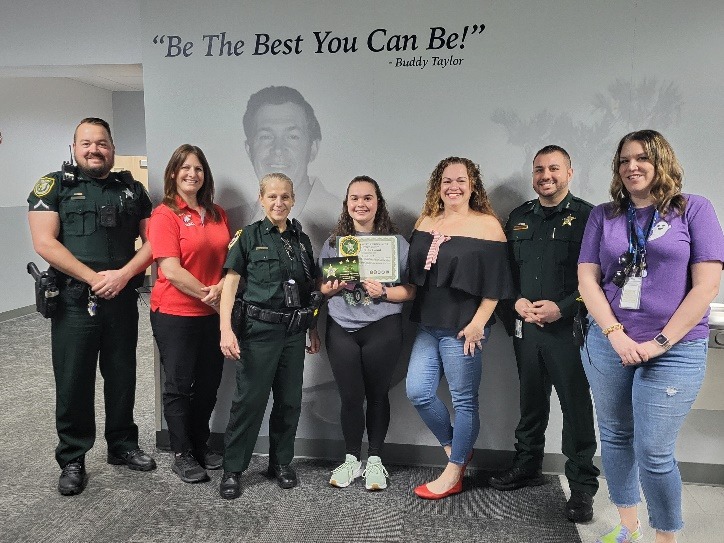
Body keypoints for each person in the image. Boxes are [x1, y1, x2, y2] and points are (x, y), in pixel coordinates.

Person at [578, 130, 724, 543]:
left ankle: (666, 537)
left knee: (655, 453)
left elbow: (706, 287)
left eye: (642, 158)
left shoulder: (694, 209)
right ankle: (629, 528)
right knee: (616, 437)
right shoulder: (603, 215)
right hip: (609, 343)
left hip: (674, 348)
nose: (632, 166)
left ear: (663, 162)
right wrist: (615, 334)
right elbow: (587, 278)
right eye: (624, 160)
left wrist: (659, 343)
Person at [27, 117, 156, 496]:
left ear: (112, 149)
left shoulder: (132, 191)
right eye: (86, 143)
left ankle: (122, 444)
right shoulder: (54, 187)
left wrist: (121, 276)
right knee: (73, 380)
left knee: (122, 374)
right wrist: (93, 277)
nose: (94, 150)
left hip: (120, 300)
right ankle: (72, 456)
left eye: (101, 143)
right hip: (73, 300)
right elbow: (44, 242)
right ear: (74, 148)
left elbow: (153, 242)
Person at [489, 145, 599, 522]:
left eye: (554, 168)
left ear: (570, 171)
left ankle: (582, 487)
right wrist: (515, 303)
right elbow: (504, 273)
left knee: (576, 409)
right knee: (531, 403)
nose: (545, 176)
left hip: (571, 331)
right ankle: (527, 466)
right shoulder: (518, 217)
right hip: (527, 329)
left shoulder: (589, 217)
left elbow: (601, 280)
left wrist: (563, 307)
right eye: (539, 170)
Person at [405, 157, 515, 499]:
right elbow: (415, 275)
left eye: (461, 180)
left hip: (464, 329)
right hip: (427, 324)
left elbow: (498, 284)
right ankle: (457, 450)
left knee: (464, 401)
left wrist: (478, 324)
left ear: (472, 185)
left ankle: (453, 474)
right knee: (418, 391)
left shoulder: (488, 226)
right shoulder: (427, 220)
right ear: (438, 186)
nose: (453, 186)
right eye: (446, 180)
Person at [218, 172, 321, 500]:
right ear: (262, 199)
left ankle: (281, 462)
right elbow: (230, 286)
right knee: (249, 401)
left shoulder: (300, 240)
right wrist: (225, 329)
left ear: (293, 200)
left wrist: (312, 329)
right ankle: (233, 469)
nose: (279, 202)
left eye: (285, 197)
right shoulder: (247, 237)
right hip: (259, 332)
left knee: (290, 401)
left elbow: (307, 289)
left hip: (293, 332)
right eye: (272, 197)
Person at [318, 176, 416, 490]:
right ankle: (351, 460)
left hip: (382, 327)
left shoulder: (396, 243)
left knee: (376, 395)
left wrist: (385, 293)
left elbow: (412, 290)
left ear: (378, 203)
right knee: (349, 397)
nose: (361, 204)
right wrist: (331, 288)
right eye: (355, 198)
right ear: (347, 204)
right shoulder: (334, 243)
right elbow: (321, 289)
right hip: (342, 328)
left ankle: (375, 460)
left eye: (368, 198)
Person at [147, 144, 230, 484]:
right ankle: (182, 452)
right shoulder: (163, 215)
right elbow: (171, 268)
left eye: (198, 169)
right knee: (179, 385)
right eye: (185, 168)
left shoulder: (218, 213)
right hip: (175, 312)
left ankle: (200, 441)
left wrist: (223, 285)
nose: (192, 174)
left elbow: (230, 258)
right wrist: (210, 296)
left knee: (209, 384)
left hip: (212, 313)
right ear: (172, 174)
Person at [227, 85, 338, 249]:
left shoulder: (345, 216)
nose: (278, 149)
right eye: (266, 136)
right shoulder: (228, 223)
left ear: (313, 148)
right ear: (249, 150)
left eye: (292, 136)